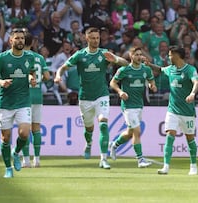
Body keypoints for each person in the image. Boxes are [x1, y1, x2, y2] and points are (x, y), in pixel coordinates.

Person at [54, 27, 128, 169]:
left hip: (102, 95)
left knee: (103, 124)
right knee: (89, 129)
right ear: (86, 39)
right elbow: (63, 67)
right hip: (85, 98)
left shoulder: (104, 54)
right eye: (93, 38)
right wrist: (58, 76)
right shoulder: (80, 55)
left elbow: (126, 63)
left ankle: (103, 159)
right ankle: (88, 144)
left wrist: (116, 59)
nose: (96, 40)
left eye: (97, 38)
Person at [0, 28, 36, 178]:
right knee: (5, 138)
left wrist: (31, 79)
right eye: (17, 38)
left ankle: (16, 153)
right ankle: (8, 168)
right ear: (11, 41)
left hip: (23, 101)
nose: (20, 41)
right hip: (6, 102)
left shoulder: (30, 57)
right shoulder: (2, 58)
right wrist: (0, 81)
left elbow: (30, 72)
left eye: (22, 38)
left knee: (25, 133)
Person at [147, 46, 198, 175]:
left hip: (187, 111)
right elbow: (160, 70)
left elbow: (196, 82)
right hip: (172, 110)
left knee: (190, 139)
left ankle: (193, 166)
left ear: (177, 55)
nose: (168, 57)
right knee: (170, 135)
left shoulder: (189, 69)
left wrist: (193, 94)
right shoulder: (170, 69)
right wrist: (149, 65)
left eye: (170, 55)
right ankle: (166, 166)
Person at [109, 46, 157, 168]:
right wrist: (120, 92)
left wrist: (153, 86)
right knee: (137, 131)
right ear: (131, 56)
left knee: (130, 133)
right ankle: (140, 160)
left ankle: (114, 145)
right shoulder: (124, 69)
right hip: (128, 106)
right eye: (136, 55)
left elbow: (151, 81)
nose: (139, 57)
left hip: (139, 105)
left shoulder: (146, 69)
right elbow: (112, 83)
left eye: (140, 54)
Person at [21, 32, 50, 168]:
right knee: (36, 129)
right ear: (32, 43)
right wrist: (39, 80)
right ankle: (37, 159)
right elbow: (47, 76)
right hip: (37, 95)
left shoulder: (21, 57)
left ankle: (26, 160)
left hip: (24, 96)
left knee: (24, 129)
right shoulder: (39, 57)